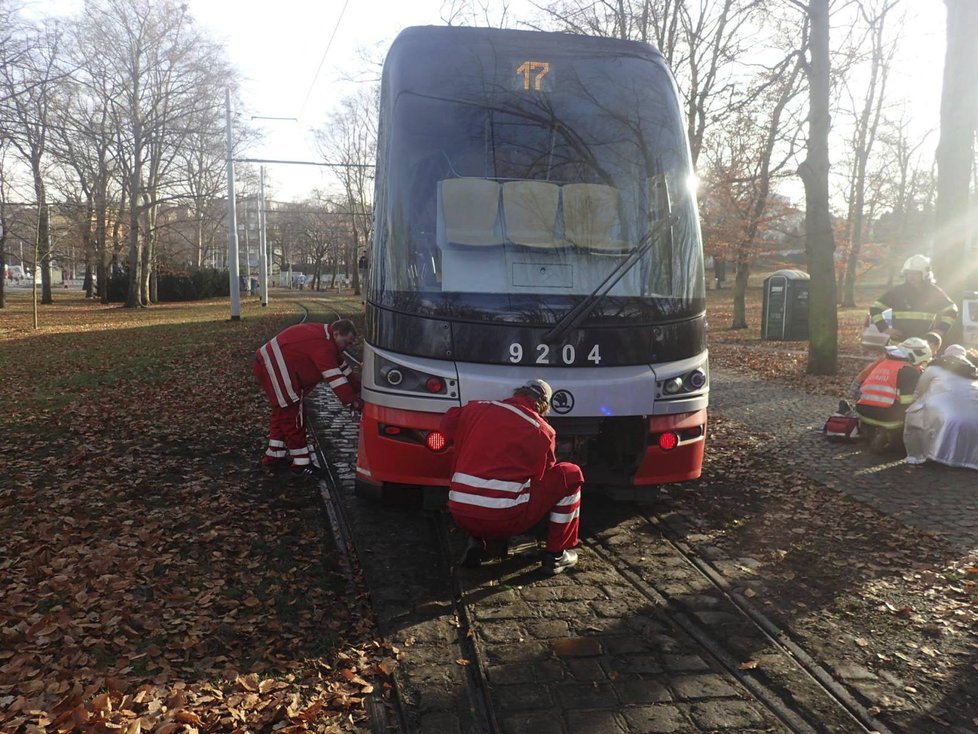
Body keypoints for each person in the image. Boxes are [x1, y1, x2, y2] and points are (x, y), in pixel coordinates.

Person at [439, 379, 584, 575]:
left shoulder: (476, 408)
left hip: (460, 514)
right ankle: (557, 555)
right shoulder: (542, 429)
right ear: (543, 405)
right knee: (570, 475)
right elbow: (543, 472)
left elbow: (447, 424)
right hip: (504, 520)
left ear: (517, 393)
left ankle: (479, 542)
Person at [253, 318, 361, 476]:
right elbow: (334, 377)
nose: (348, 347)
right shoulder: (323, 345)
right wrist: (353, 401)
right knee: (294, 416)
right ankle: (301, 463)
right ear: (337, 334)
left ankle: (274, 455)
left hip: (271, 365)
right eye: (347, 342)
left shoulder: (327, 339)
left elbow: (343, 368)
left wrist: (358, 388)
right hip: (275, 368)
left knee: (282, 413)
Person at [904, 345, 978, 469]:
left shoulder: (934, 367)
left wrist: (913, 405)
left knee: (914, 413)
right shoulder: (973, 374)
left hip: (944, 412)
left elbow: (919, 391)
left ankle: (918, 455)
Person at [855, 336, 931, 451]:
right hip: (887, 416)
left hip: (863, 410)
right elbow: (908, 403)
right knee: (915, 412)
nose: (921, 366)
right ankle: (888, 437)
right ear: (915, 357)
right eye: (922, 362)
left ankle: (872, 431)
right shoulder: (908, 371)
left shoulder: (885, 363)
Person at [869, 254, 958, 345]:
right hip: (898, 345)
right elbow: (875, 308)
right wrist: (884, 328)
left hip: (923, 346)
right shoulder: (897, 291)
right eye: (909, 273)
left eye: (916, 273)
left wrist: (940, 330)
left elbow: (951, 309)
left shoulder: (933, 292)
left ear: (925, 274)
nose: (911, 276)